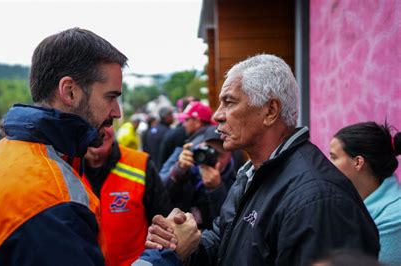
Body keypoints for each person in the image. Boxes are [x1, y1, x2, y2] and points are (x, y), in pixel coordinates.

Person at [144, 54, 380, 265]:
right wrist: (182, 243)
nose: (217, 115)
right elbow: (223, 242)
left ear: (270, 111)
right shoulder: (252, 171)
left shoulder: (317, 199)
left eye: (229, 102)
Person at [0, 28, 127, 265]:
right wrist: (163, 258)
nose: (117, 112)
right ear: (70, 91)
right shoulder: (51, 196)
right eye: (110, 97)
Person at [69, 126, 172, 266]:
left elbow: (165, 226)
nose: (100, 131)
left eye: (107, 122)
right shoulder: (64, 170)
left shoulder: (140, 164)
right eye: (89, 123)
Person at [329, 121, 401, 265]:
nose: (327, 163)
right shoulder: (350, 202)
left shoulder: (395, 218)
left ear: (358, 162)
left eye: (334, 157)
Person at [164, 125, 235, 229]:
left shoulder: (236, 182)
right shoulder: (188, 163)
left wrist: (216, 189)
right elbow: (161, 200)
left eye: (217, 154)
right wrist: (178, 171)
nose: (210, 156)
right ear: (201, 144)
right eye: (208, 149)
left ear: (230, 156)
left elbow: (227, 226)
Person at [159, 101, 214, 182]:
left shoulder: (195, 145)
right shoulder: (208, 137)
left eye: (186, 119)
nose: (183, 124)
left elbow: (163, 179)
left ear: (197, 122)